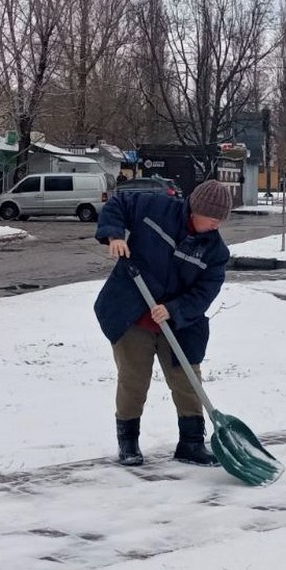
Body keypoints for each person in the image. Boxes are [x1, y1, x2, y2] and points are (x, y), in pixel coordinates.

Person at [94, 179, 233, 468]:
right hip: (131, 312)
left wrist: (173, 309)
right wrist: (114, 235)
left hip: (180, 322)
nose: (216, 224)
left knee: (188, 379)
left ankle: (192, 443)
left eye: (221, 219)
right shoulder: (156, 208)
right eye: (213, 217)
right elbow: (117, 204)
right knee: (134, 379)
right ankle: (128, 442)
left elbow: (204, 294)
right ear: (196, 209)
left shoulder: (215, 252)